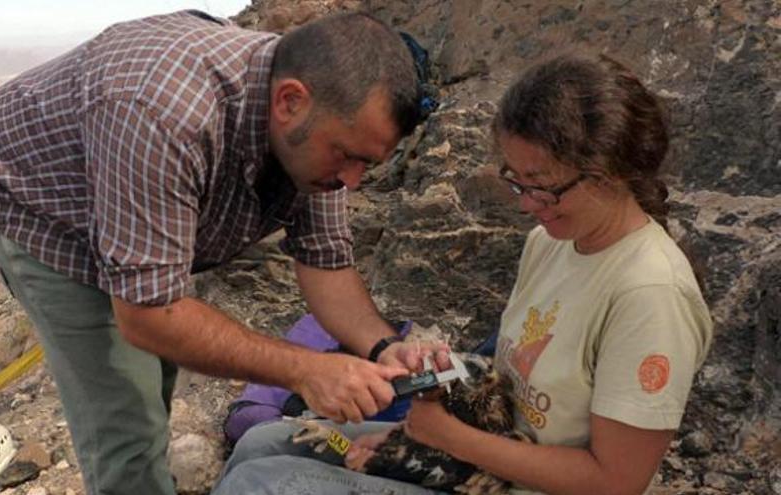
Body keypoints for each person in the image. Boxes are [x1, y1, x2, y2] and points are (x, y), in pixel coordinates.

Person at [0, 10, 448, 495]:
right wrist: (306, 370)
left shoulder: (322, 126)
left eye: (367, 162)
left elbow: (326, 263)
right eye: (347, 155)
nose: (353, 180)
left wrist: (385, 347)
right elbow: (148, 315)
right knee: (125, 423)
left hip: (137, 191)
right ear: (289, 101)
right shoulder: (161, 110)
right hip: (44, 208)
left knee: (157, 374)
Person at [211, 52, 713, 495]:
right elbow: (508, 386)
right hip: (470, 456)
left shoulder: (650, 295)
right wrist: (441, 389)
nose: (530, 205)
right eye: (517, 183)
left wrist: (446, 438)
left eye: (544, 187)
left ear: (613, 170)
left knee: (261, 484)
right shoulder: (552, 242)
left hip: (511, 479)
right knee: (262, 441)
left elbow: (615, 482)